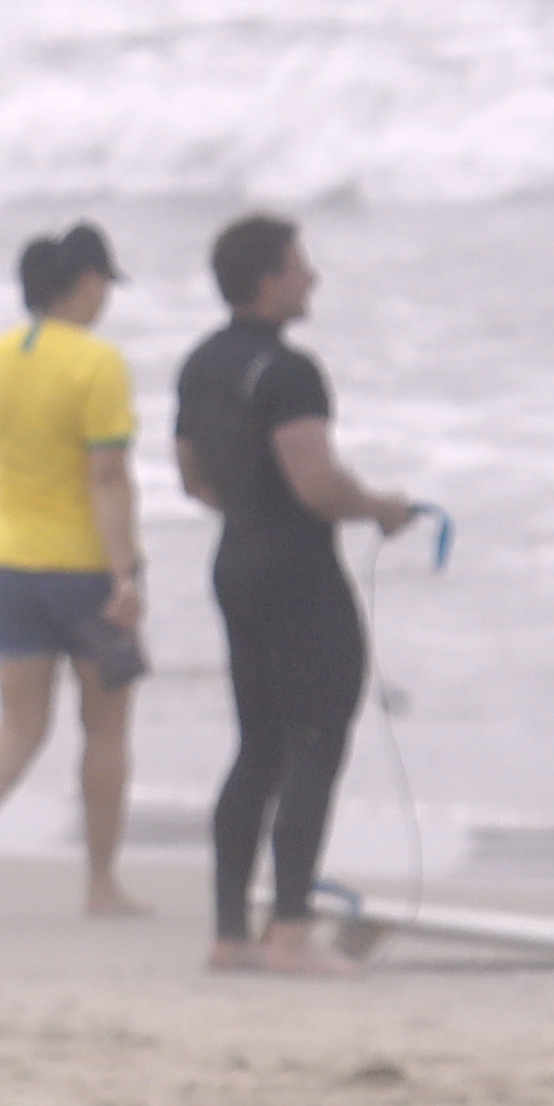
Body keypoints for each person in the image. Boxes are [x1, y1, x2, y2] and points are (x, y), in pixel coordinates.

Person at [175, 216, 422, 976]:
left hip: (236, 558)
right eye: (298, 266)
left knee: (256, 746)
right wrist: (379, 506)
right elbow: (315, 484)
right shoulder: (290, 373)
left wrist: (253, 514)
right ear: (267, 280)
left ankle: (228, 933)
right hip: (296, 571)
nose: (310, 278)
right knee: (314, 743)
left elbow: (192, 477)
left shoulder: (202, 364)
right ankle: (287, 932)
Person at [0, 224, 148, 921]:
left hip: (2, 561)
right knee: (105, 728)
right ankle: (99, 885)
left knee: (18, 723)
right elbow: (108, 475)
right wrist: (124, 576)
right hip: (82, 567)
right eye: (103, 287)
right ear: (85, 283)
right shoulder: (96, 364)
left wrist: (8, 534)